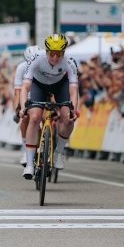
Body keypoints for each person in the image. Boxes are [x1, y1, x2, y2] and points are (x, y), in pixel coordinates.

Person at [19, 34, 80, 179]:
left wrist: (73, 109)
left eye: (59, 53)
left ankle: (59, 152)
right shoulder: (36, 58)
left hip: (60, 86)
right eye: (52, 53)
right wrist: (22, 107)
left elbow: (73, 89)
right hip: (38, 85)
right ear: (46, 51)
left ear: (63, 53)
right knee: (34, 117)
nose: (55, 57)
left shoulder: (69, 62)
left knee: (67, 117)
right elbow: (25, 86)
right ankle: (29, 164)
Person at [13, 45, 41, 166]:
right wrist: (17, 109)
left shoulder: (44, 67)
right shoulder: (22, 68)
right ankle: (27, 149)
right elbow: (18, 92)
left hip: (43, 93)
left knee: (46, 116)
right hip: (28, 96)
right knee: (26, 119)